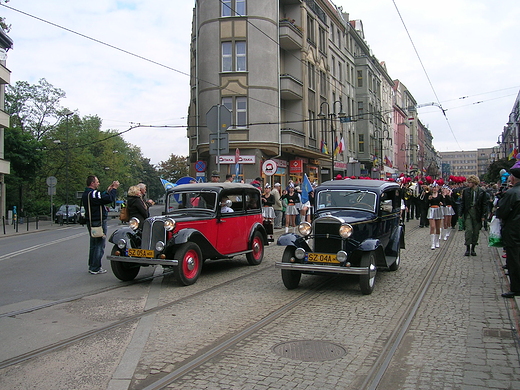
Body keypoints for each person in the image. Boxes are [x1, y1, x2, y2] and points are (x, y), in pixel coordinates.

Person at [82, 175, 119, 274]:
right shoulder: (93, 193)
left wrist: (108, 191)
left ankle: (92, 265)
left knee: (93, 245)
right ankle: (95, 267)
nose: (98, 183)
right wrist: (114, 189)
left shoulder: (87, 193)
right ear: (92, 183)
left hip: (91, 221)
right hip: (98, 221)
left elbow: (101, 197)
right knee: (99, 244)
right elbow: (108, 199)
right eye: (97, 182)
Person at [496, 160, 520, 298]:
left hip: (513, 230)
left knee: (514, 259)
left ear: (512, 178)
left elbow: (501, 212)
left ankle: (516, 287)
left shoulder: (511, 194)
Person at [460, 175, 488, 256]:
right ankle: (468, 247)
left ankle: (473, 248)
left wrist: (483, 215)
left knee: (476, 231)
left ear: (474, 183)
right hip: (468, 211)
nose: (468, 184)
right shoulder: (466, 191)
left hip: (477, 213)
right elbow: (463, 202)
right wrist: (460, 213)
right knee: (469, 230)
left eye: (470, 182)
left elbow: (484, 204)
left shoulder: (482, 192)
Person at [427, 183, 444, 249]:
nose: (434, 189)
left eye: (436, 187)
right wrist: (428, 200)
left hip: (438, 210)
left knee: (438, 227)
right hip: (431, 210)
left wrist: (442, 203)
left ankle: (437, 241)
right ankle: (432, 243)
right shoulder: (429, 195)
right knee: (432, 226)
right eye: (433, 187)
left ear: (438, 188)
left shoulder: (440, 196)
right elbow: (426, 204)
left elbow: (443, 202)